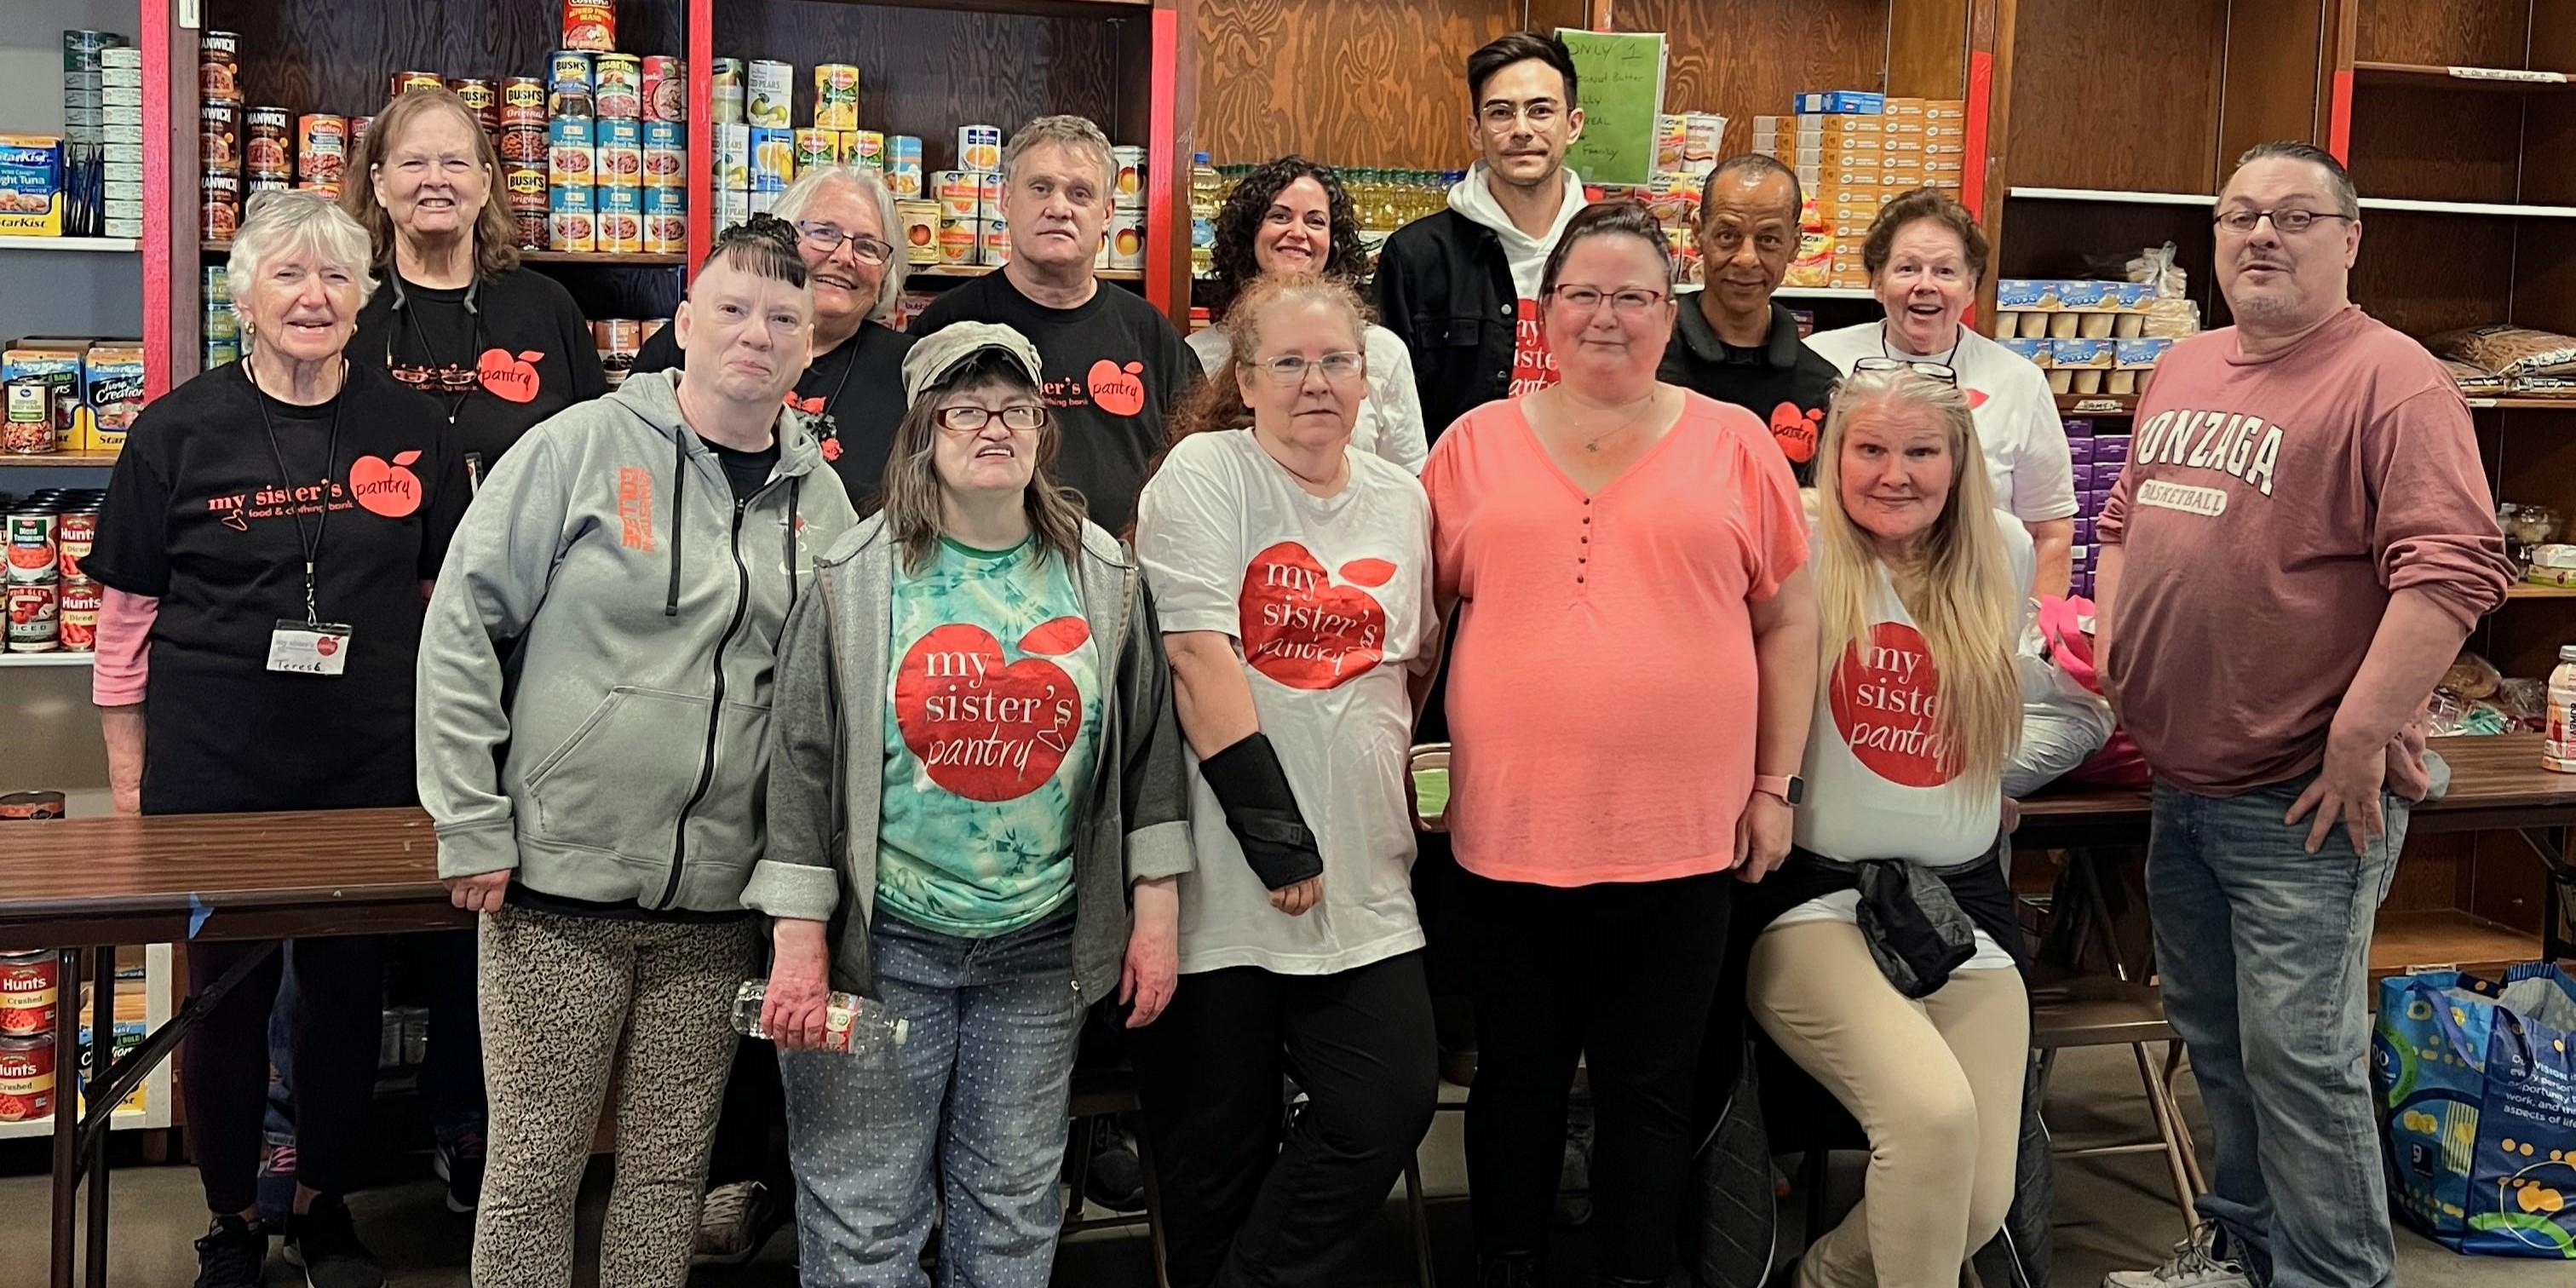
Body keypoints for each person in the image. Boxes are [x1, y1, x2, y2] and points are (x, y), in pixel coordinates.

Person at [2096, 142, 2514, 1288]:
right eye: (2240, 216)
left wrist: (2359, 733)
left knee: (2303, 1065)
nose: (2262, 237)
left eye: (2293, 217)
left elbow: (2456, 569)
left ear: (2350, 239)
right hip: (2182, 783)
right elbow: (2129, 515)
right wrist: (2116, 647)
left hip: (2303, 800)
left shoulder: (2393, 379)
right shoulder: (2183, 365)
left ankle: (2335, 1278)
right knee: (2223, 1052)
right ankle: (2244, 1254)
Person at [414, 216, 860, 1288]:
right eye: (736, 310)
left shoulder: (823, 498)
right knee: (533, 1168)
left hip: (717, 902)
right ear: (685, 322)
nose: (758, 334)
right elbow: (462, 625)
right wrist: (471, 818)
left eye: (784, 319)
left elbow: (830, 699)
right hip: (558, 883)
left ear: (809, 347)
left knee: (668, 1176)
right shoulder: (577, 447)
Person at [745, 322, 1192, 1284]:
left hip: (1040, 949)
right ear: (923, 430)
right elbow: (801, 762)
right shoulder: (856, 576)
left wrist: (1153, 910)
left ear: (1042, 426)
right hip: (885, 946)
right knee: (862, 1216)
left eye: (1015, 408)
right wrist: (798, 938)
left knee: (1012, 1209)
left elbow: (1149, 754)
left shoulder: (1105, 575)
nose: (994, 427)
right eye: (964, 409)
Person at [1422, 201, 1816, 1288]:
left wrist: (1772, 785)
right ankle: (1508, 1265)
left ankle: (1637, 1271)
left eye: (1634, 296)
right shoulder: (1473, 446)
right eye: (1583, 294)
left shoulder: (1735, 445)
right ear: (1546, 314)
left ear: (1668, 310)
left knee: (1653, 1087)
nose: (1608, 316)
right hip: (1509, 834)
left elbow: (1788, 622)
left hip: (1682, 837)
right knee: (1517, 1081)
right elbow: (1416, 638)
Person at [86, 189, 469, 1288]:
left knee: (347, 998)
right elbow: (125, 623)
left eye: (337, 278)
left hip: (367, 769)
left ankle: (323, 1205)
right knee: (222, 1002)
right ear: (242, 295)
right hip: (214, 774)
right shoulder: (176, 430)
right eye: (288, 276)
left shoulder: (412, 428)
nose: (314, 296)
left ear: (364, 299)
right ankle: (228, 1222)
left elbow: (444, 605)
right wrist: (131, 792)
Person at [1131, 274, 1440, 1286]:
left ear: (1368, 380)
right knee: (1215, 1156)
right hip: (1227, 880)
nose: (1317, 383)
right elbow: (1196, 657)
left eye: (1338, 361)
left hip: (1368, 879)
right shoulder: (1206, 472)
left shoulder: (1402, 499)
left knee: (1384, 1106)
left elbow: (1417, 663)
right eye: (1290, 362)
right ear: (1246, 380)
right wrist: (1278, 837)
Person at [1732, 365, 2034, 1288]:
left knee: (1978, 1201)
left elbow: (2028, 704)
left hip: (1963, 904)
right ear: (1834, 453)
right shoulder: (1797, 544)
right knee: (1931, 1118)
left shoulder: (2005, 553)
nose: (1893, 473)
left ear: (1958, 461)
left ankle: (1822, 1278)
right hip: (1815, 901)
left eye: (1919, 451)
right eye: (1869, 448)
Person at [908, 115, 1198, 532]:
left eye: (1080, 193)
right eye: (1040, 188)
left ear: (1107, 214)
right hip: (975, 580)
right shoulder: (946, 325)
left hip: (1120, 579)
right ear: (1005, 200)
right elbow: (908, 464)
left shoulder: (1152, 335)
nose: (1059, 208)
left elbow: (1197, 466)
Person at [1804, 188, 2076, 595]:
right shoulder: (1818, 363)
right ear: (1877, 283)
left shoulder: (2018, 381)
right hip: (1842, 608)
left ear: (1971, 288)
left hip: (1973, 615)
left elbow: (2050, 531)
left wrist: (2030, 640)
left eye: (1945, 272)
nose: (1925, 286)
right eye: (1907, 268)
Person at [346, 85, 607, 472]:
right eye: (413, 163)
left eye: (455, 163)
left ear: (485, 184)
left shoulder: (548, 306)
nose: (435, 179)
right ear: (380, 185)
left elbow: (599, 455)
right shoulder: (346, 306)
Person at [635, 163, 917, 510]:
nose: (844, 257)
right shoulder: (693, 344)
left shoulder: (909, 371)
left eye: (868, 247)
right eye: (824, 232)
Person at [1377, 30, 1590, 442]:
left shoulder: (1613, 253)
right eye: (1500, 113)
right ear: (1476, 130)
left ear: (1573, 124)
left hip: (1587, 493)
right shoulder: (1415, 257)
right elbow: (1388, 415)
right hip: (1456, 498)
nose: (1522, 129)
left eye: (1541, 110)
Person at [1189, 156, 1428, 474]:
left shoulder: (1383, 352)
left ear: (1334, 241)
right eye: (1280, 216)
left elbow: (1406, 479)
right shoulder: (1200, 353)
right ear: (1248, 233)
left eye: (1315, 221)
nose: (1298, 232)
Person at [1656, 154, 1843, 482]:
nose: (1746, 259)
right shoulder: (1646, 359)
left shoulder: (1822, 386)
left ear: (1795, 245)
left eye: (1768, 240)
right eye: (1728, 235)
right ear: (1698, 233)